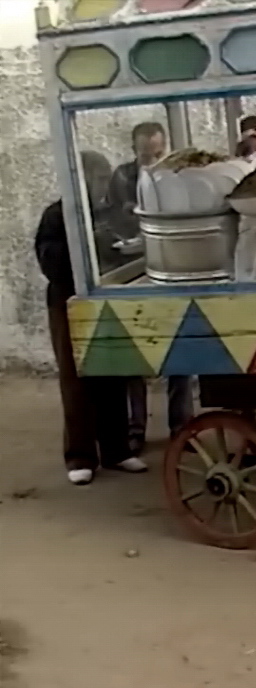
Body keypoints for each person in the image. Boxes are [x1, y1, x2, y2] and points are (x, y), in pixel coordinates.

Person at [35, 151, 148, 485]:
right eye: (98, 178)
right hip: (68, 302)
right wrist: (84, 244)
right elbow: (49, 262)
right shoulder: (57, 215)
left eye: (105, 179)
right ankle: (80, 456)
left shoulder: (109, 211)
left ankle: (117, 450)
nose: (104, 185)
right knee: (76, 380)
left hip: (106, 297)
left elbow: (124, 245)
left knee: (112, 373)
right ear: (79, 179)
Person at [106, 122, 196, 454]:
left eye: (158, 153)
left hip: (173, 268)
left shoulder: (180, 174)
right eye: (146, 155)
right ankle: (136, 429)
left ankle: (181, 426)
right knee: (134, 356)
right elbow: (115, 217)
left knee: (180, 352)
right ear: (134, 151)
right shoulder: (122, 177)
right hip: (132, 268)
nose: (153, 161)